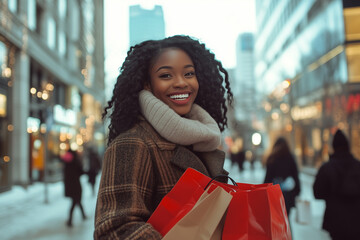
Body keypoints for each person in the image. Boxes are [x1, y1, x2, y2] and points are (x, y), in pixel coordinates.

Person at [94, 35, 233, 239]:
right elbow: (116, 229)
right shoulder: (132, 143)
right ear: (147, 84)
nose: (180, 83)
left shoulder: (202, 139)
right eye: (166, 75)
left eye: (189, 73)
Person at [313, 129, 360, 240]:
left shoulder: (327, 168)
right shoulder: (358, 166)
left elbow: (317, 193)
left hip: (336, 221)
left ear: (333, 147)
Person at [264, 137, 301, 216]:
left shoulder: (272, 159)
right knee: (286, 216)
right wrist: (297, 191)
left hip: (275, 194)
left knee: (277, 217)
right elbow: (295, 175)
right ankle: (285, 228)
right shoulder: (290, 158)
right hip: (289, 194)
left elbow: (267, 178)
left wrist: (264, 192)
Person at [62, 148, 87, 227]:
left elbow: (65, 176)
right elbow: (81, 172)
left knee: (76, 201)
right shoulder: (76, 162)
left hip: (70, 186)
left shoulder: (66, 163)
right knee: (76, 201)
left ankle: (81, 216)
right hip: (76, 185)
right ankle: (71, 220)